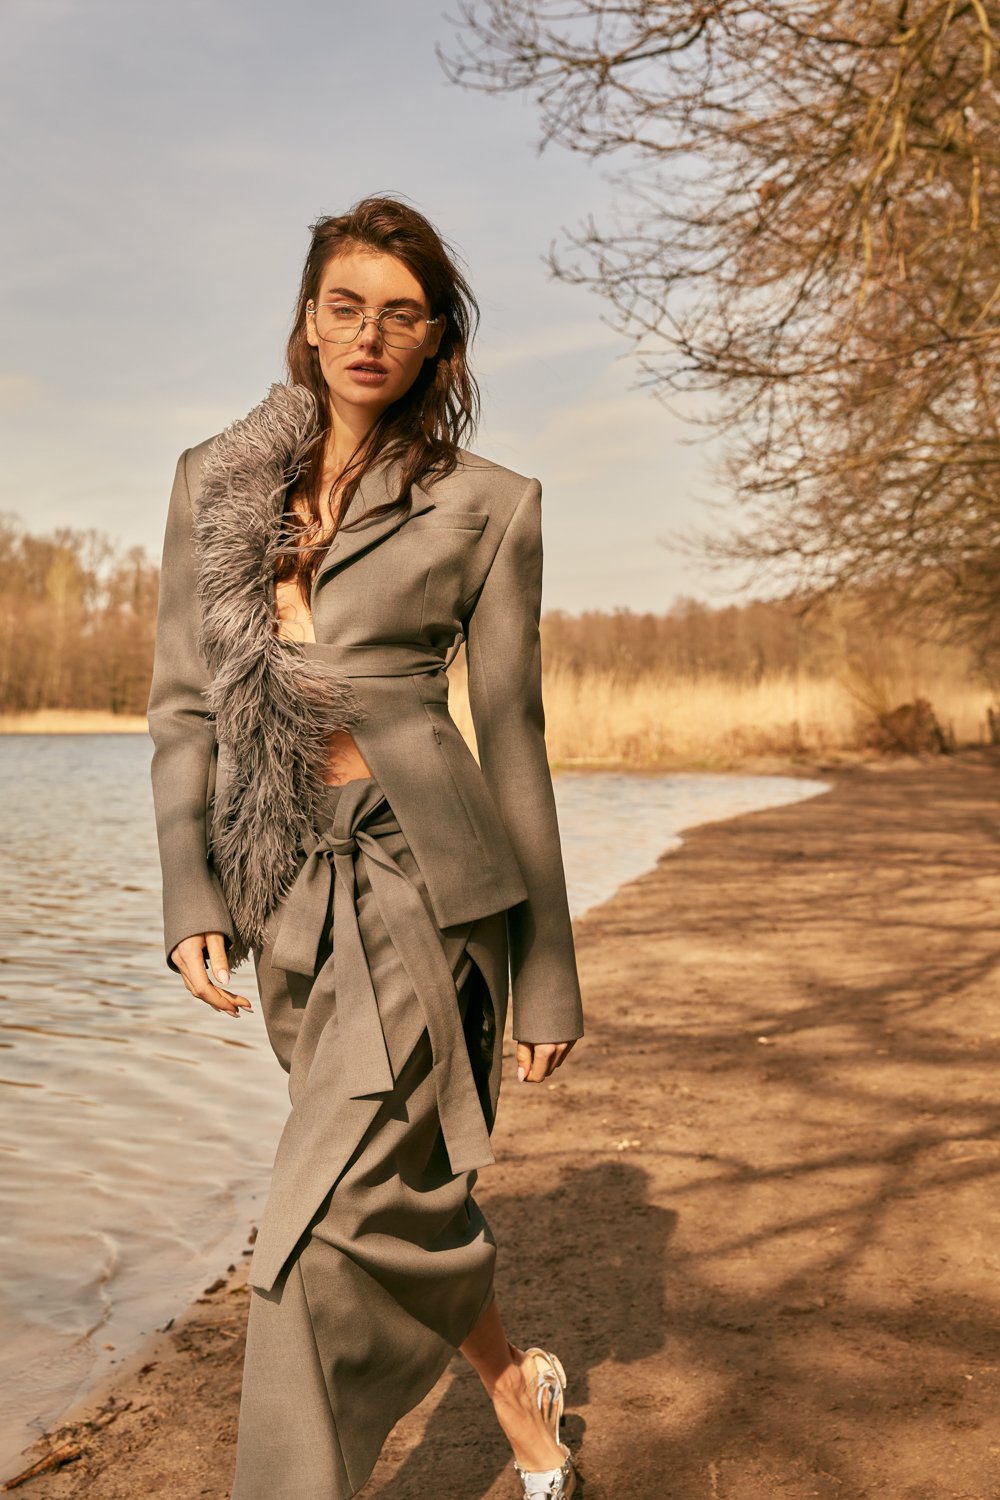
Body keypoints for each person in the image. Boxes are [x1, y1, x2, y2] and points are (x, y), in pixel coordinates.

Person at [146, 195, 584, 1500]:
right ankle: (519, 1392)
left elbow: (512, 734)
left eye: (401, 313)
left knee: (300, 1234)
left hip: (426, 890)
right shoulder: (212, 487)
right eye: (346, 305)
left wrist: (549, 967)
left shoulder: (489, 505)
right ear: (308, 318)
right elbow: (181, 706)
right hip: (286, 894)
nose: (368, 334)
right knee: (388, 1192)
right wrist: (189, 891)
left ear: (437, 341)